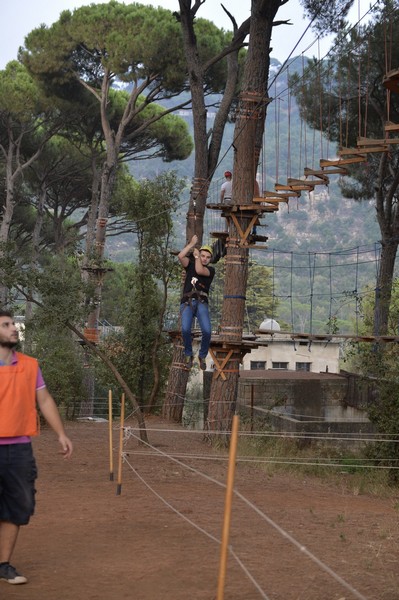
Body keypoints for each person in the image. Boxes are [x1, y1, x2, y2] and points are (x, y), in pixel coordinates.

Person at [0, 310, 73, 585]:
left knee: (18, 506)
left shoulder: (30, 365)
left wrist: (61, 434)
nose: (13, 328)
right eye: (6, 325)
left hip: (20, 450)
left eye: (13, 324)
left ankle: (3, 565)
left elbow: (44, 400)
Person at [178, 235, 215, 371]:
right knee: (186, 329)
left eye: (207, 257)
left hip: (201, 302)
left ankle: (202, 355)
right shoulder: (191, 266)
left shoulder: (210, 271)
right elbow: (181, 257)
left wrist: (197, 256)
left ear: (210, 260)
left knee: (207, 330)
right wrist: (191, 244)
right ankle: (188, 354)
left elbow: (200, 270)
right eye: (203, 256)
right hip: (187, 301)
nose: (204, 258)